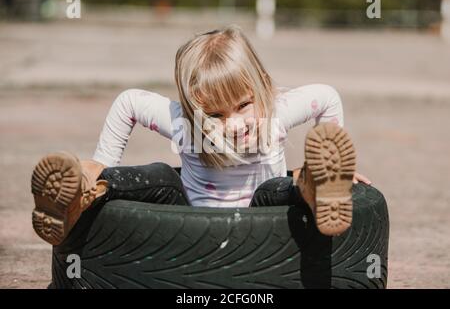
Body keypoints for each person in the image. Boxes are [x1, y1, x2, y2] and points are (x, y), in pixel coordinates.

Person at [31, 25, 371, 246]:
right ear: (194, 110)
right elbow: (128, 103)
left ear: (261, 85)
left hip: (263, 220)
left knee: (277, 187)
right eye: (215, 115)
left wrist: (329, 157)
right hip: (189, 221)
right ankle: (82, 189)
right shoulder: (183, 122)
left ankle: (319, 185)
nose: (235, 124)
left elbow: (326, 96)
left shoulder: (277, 111)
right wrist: (102, 162)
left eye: (243, 105)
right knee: (160, 176)